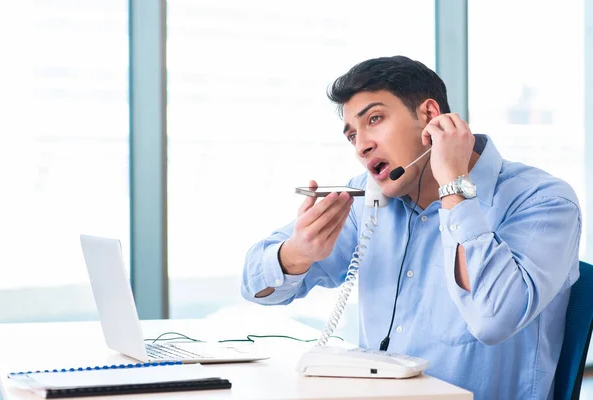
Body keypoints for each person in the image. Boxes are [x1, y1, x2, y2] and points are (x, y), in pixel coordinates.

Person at [240, 55, 581, 399]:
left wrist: (453, 184)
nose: (361, 146)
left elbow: (492, 318)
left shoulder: (543, 200)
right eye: (352, 136)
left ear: (431, 117)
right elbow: (255, 286)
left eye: (375, 119)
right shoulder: (368, 201)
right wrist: (296, 254)